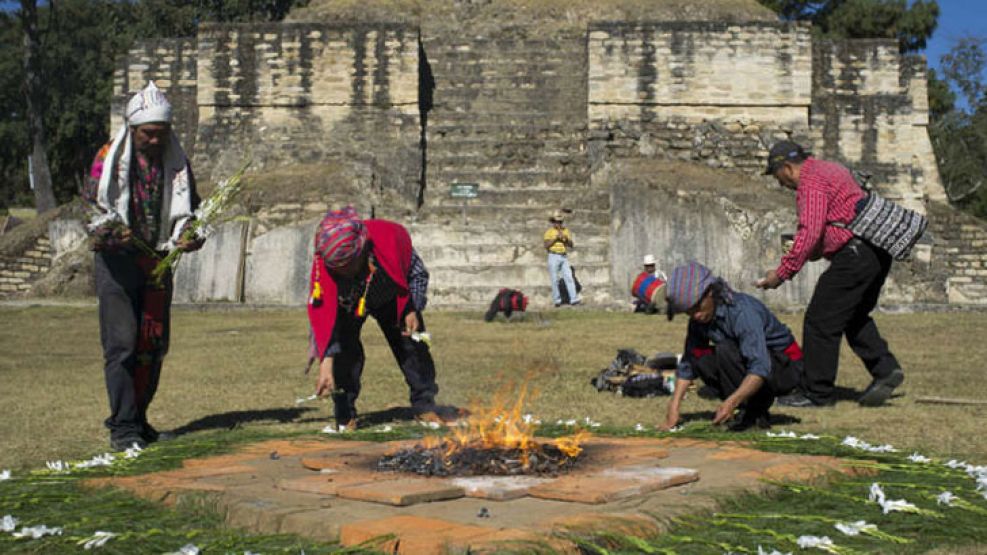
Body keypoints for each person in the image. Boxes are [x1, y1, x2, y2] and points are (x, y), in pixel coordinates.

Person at [84, 81, 204, 451]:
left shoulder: (176, 163)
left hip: (156, 264)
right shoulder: (109, 160)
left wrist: (190, 235)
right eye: (149, 134)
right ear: (133, 130)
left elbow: (192, 211)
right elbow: (92, 209)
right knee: (121, 344)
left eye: (161, 134)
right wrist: (110, 233)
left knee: (152, 344)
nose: (155, 141)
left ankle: (139, 420)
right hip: (118, 265)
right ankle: (122, 427)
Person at [756, 141, 903, 408]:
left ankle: (816, 393)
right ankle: (885, 369)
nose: (780, 184)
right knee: (853, 316)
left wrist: (782, 273)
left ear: (786, 167)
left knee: (819, 321)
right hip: (876, 250)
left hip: (856, 254)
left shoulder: (811, 181)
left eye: (777, 176)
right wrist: (814, 250)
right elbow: (833, 224)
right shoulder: (831, 170)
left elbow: (810, 231)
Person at [307, 207, 440, 430]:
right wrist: (325, 365)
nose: (345, 273)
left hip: (389, 296)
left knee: (412, 347)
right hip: (347, 305)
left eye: (349, 266)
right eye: (339, 270)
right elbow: (323, 322)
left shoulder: (388, 239)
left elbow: (417, 274)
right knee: (345, 356)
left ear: (361, 251)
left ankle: (424, 406)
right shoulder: (325, 266)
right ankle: (344, 415)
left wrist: (412, 308)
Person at [659, 262, 802, 432]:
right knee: (701, 359)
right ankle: (744, 408)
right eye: (689, 312)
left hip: (784, 367)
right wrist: (673, 407)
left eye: (698, 307)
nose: (695, 315)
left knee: (725, 349)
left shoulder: (742, 312)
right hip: (754, 362)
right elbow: (688, 363)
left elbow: (760, 366)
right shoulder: (699, 319)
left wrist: (732, 402)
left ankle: (755, 414)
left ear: (710, 293)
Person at [543, 209, 581, 307]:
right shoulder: (549, 232)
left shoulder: (566, 231)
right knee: (554, 279)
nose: (558, 224)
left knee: (569, 277)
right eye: (557, 222)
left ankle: (574, 299)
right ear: (553, 222)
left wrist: (565, 239)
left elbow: (571, 245)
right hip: (553, 255)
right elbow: (546, 245)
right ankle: (557, 301)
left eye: (560, 222)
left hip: (563, 256)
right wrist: (556, 238)